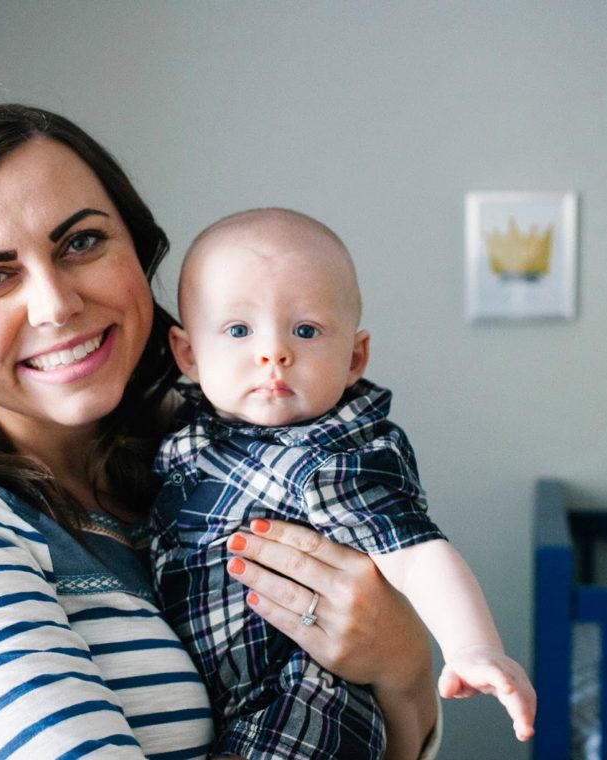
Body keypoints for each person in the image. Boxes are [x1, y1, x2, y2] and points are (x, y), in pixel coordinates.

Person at [0, 102, 440, 759]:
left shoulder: (204, 466)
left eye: (81, 242)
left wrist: (402, 668)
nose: (57, 304)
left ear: (137, 253)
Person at [152, 208, 537, 760]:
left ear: (354, 357)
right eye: (239, 329)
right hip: (218, 696)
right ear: (187, 354)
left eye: (305, 330)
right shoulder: (188, 429)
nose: (273, 352)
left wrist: (474, 647)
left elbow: (418, 553)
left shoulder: (338, 455)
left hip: (306, 698)